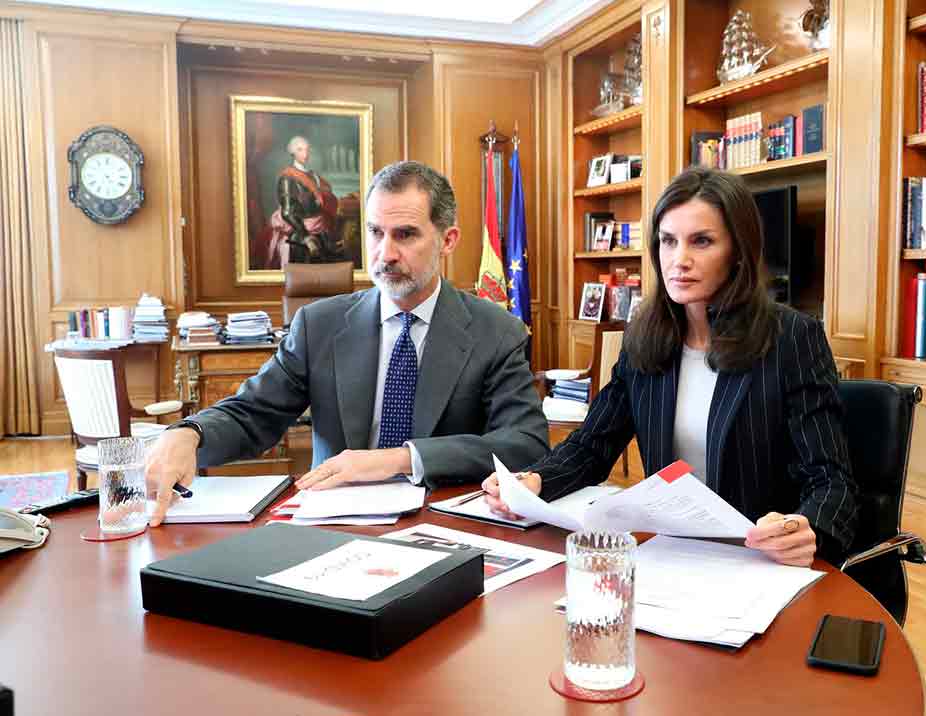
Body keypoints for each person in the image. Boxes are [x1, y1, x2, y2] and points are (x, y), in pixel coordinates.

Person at [483, 167, 857, 567]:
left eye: (702, 241)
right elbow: (592, 445)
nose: (679, 260)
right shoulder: (645, 336)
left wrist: (804, 528)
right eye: (667, 241)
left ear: (738, 251)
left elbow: (830, 479)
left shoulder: (790, 338)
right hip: (671, 554)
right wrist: (535, 481)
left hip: (758, 560)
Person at [147, 160, 549, 526]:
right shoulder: (318, 325)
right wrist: (189, 433)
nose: (385, 253)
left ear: (448, 240)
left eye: (405, 235)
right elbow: (252, 413)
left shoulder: (495, 331)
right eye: (375, 232)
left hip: (445, 525)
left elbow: (525, 442)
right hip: (334, 523)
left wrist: (402, 459)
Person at [262, 135, 345, 268]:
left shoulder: (313, 176)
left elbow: (323, 200)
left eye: (307, 150)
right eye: (300, 150)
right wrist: (306, 237)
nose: (305, 153)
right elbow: (288, 212)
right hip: (298, 230)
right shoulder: (287, 177)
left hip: (319, 227)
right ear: (293, 152)